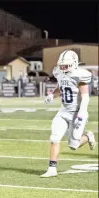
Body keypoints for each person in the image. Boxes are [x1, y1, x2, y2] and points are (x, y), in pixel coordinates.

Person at [41, 50, 96, 178]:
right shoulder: (59, 73)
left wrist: (81, 115)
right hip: (63, 112)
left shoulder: (80, 75)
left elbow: (85, 97)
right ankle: (52, 168)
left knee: (73, 145)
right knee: (55, 137)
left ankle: (88, 136)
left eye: (67, 65)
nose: (64, 67)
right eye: (62, 65)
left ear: (74, 63)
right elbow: (61, 88)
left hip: (77, 112)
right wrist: (51, 95)